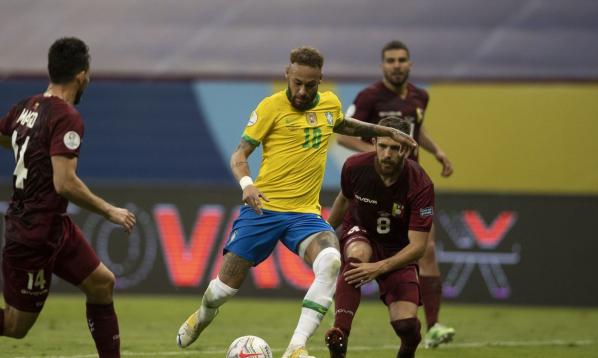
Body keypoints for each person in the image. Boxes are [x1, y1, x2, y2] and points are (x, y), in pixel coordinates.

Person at [176, 46, 417, 358]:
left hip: (303, 214)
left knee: (331, 261)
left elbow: (345, 125)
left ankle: (296, 347)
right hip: (262, 209)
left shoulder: (329, 104)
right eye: (297, 83)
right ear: (287, 76)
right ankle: (204, 315)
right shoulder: (270, 108)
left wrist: (384, 130)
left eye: (311, 84)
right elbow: (239, 155)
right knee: (222, 290)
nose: (303, 91)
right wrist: (247, 185)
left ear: (320, 81)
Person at [0, 37, 136, 358]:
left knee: (102, 283)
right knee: (17, 326)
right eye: (87, 73)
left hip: (55, 227)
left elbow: (8, 135)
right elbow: (64, 183)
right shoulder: (67, 117)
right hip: (31, 234)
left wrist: (30, 145)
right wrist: (109, 211)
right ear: (80, 76)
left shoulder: (25, 108)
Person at [336, 40, 455, 348]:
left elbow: (417, 130)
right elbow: (343, 135)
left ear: (410, 64)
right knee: (359, 250)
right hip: (376, 187)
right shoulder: (368, 97)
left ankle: (434, 325)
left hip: (409, 188)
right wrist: (378, 156)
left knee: (425, 249)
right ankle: (341, 329)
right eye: (390, 60)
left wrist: (438, 151)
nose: (397, 65)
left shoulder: (420, 96)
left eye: (402, 60)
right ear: (383, 65)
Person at [325, 117, 432, 358]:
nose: (386, 154)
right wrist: (324, 232)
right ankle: (339, 335)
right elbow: (344, 200)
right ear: (373, 142)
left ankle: (408, 349)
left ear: (406, 149)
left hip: (398, 250)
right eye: (382, 146)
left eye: (394, 148)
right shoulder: (354, 166)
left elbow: (418, 247)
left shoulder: (420, 184)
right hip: (361, 231)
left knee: (406, 326)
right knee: (357, 254)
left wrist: (378, 268)